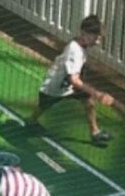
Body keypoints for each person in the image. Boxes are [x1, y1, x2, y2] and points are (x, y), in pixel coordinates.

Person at [30, 14, 116, 145]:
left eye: (99, 38)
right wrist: (98, 94)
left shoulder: (80, 45)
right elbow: (74, 80)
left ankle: (95, 132)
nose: (97, 42)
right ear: (83, 32)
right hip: (55, 87)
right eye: (95, 37)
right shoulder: (74, 51)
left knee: (88, 101)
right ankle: (31, 122)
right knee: (43, 106)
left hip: (69, 87)